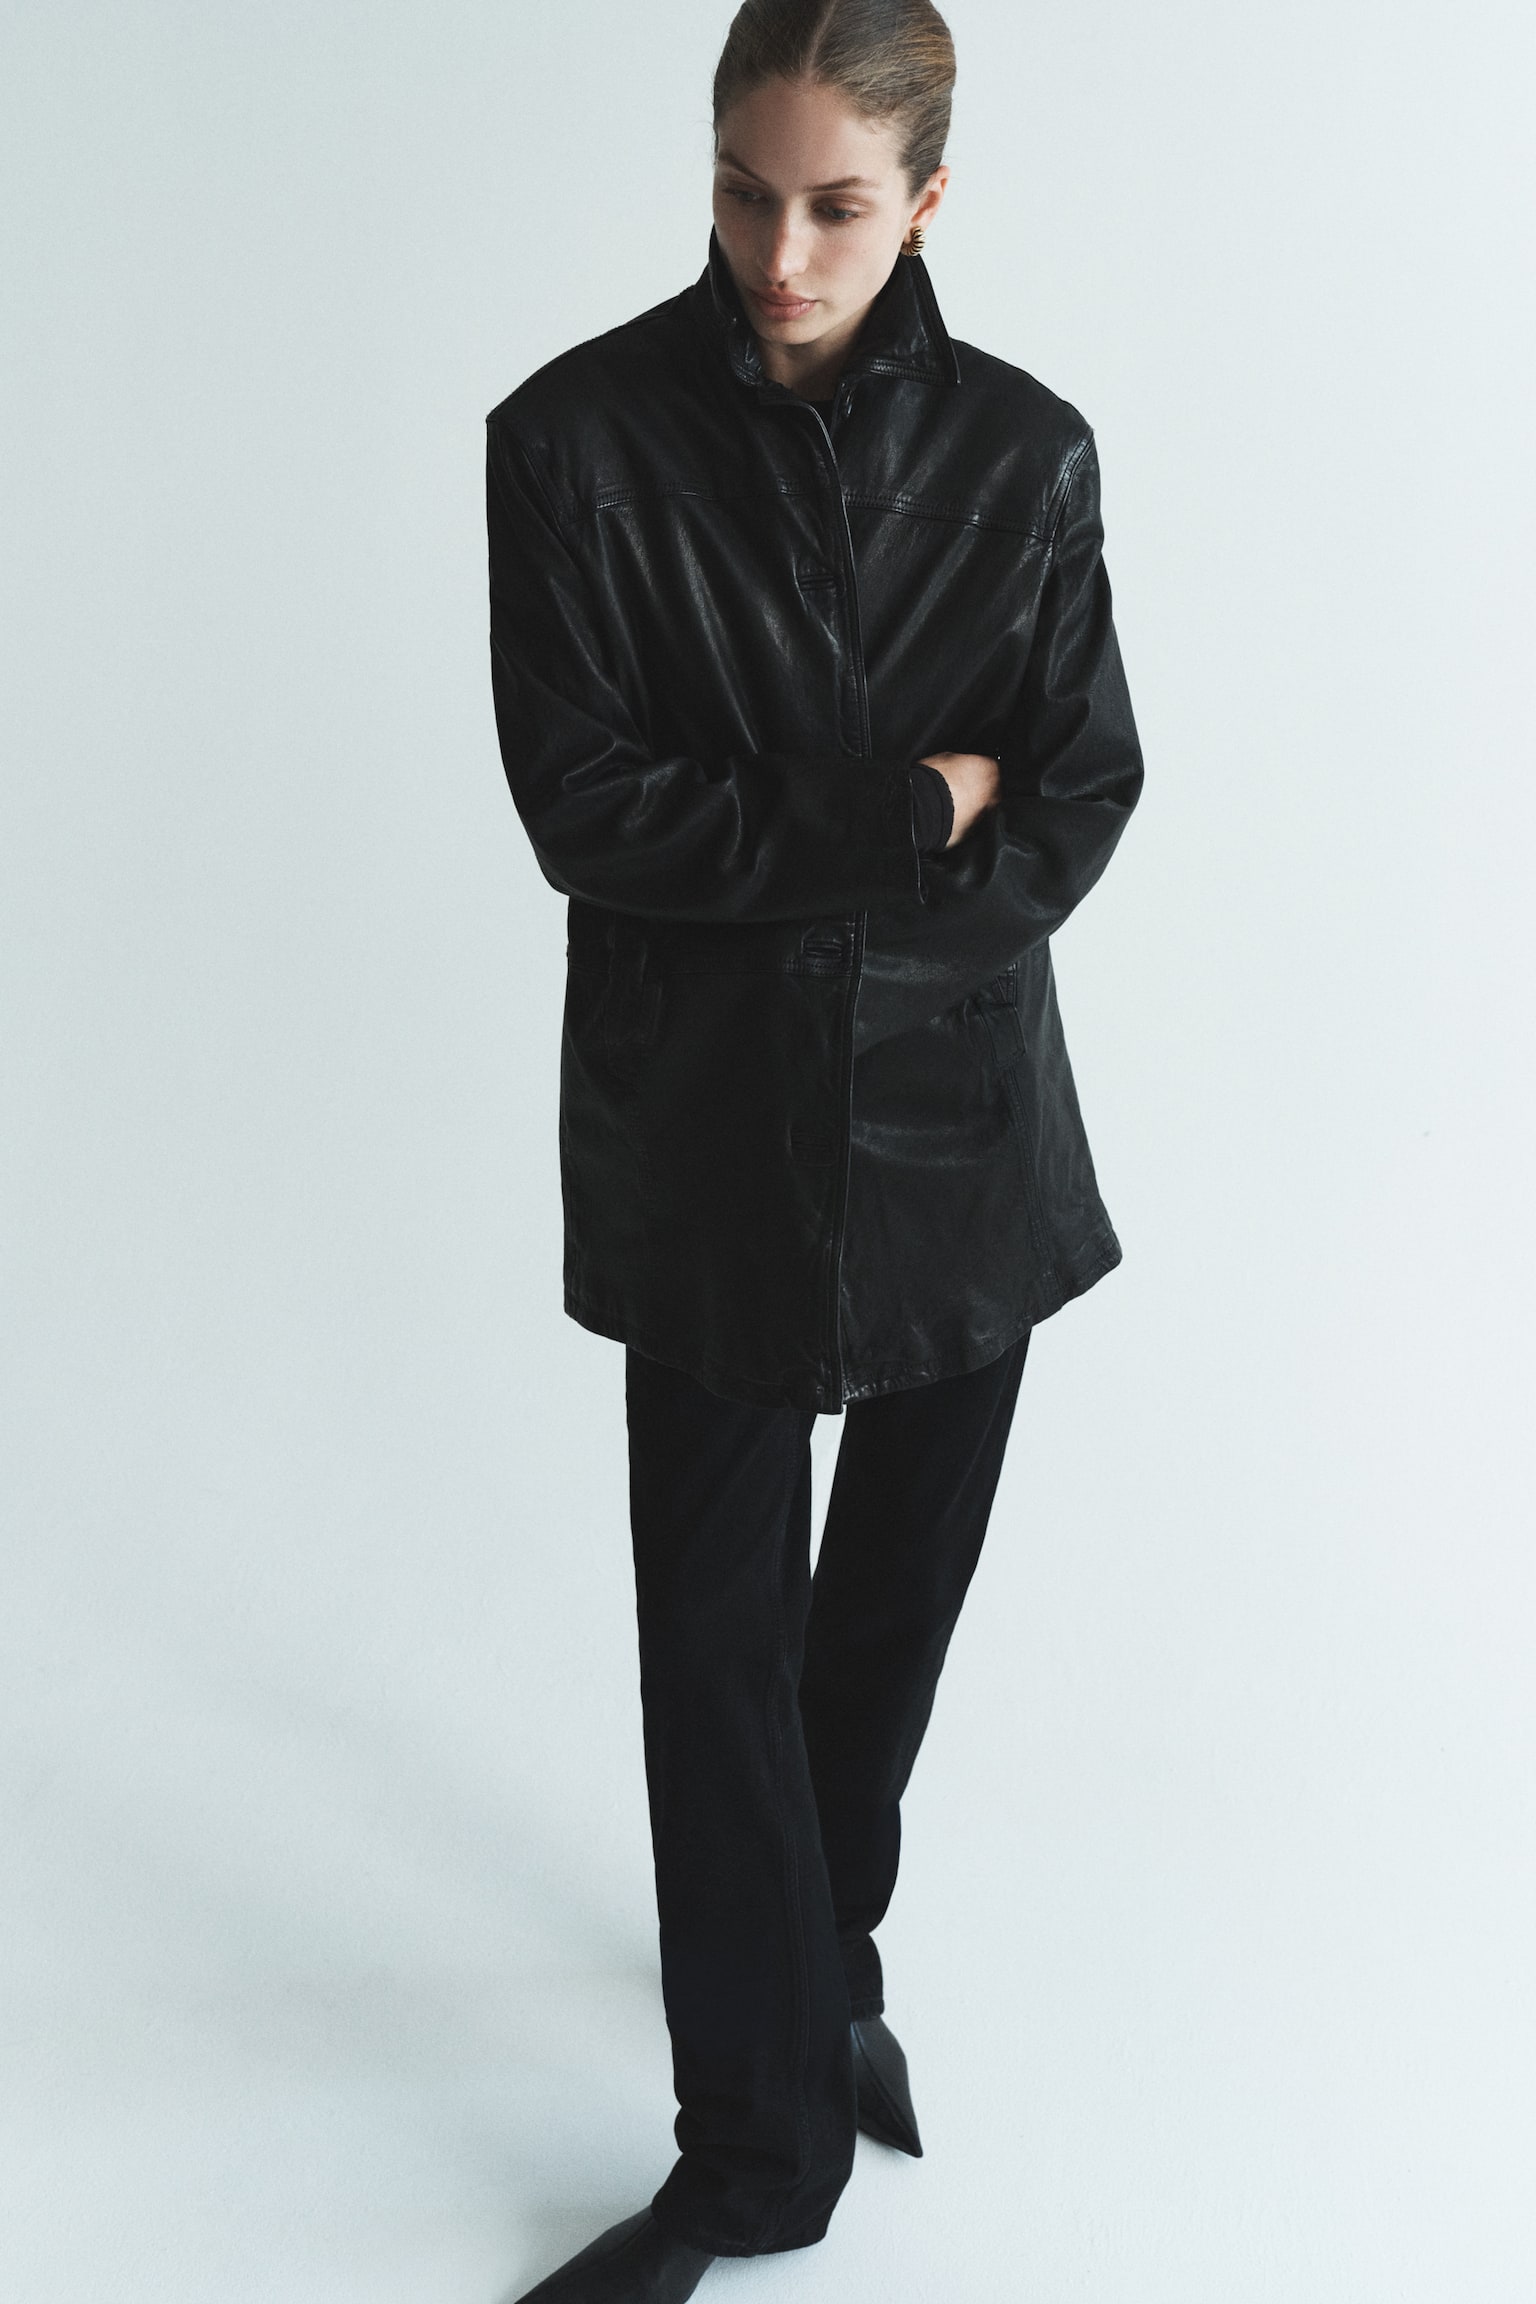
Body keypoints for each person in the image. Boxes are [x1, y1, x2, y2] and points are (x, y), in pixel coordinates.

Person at [485, 2, 1143, 2294]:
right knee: (717, 1653)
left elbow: (1077, 791)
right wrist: (897, 808)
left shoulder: (1029, 457)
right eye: (745, 192)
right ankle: (752, 2156)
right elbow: (592, 812)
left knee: (886, 1622)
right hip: (706, 1135)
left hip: (965, 1129)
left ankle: (819, 1958)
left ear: (927, 200)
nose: (780, 252)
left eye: (839, 207)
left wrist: (858, 863)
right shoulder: (572, 445)